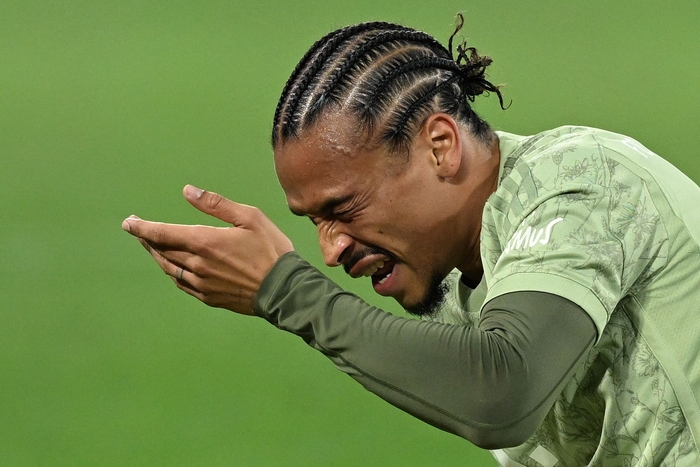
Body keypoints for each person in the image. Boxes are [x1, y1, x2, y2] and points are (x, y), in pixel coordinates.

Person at [122, 16, 700, 466]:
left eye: (343, 210)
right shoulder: (457, 280)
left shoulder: (582, 180)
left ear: (440, 146)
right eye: (313, 222)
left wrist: (289, 293)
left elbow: (502, 391)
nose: (331, 251)